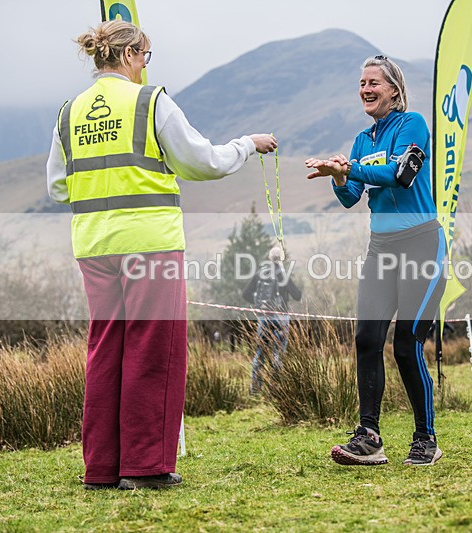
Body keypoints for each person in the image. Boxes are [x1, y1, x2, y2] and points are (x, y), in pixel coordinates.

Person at [46, 20, 277, 490]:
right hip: (150, 242)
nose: (145, 66)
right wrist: (247, 145)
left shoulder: (68, 112)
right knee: (155, 348)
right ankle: (145, 466)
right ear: (131, 54)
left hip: (93, 244)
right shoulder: (150, 101)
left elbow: (55, 186)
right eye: (145, 57)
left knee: (106, 351)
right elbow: (203, 162)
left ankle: (102, 468)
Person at [305, 55, 447, 466]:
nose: (366, 89)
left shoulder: (412, 124)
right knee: (367, 340)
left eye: (374, 83)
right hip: (381, 249)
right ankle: (368, 438)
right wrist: (338, 174)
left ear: (394, 90)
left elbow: (403, 173)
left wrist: (354, 171)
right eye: (361, 84)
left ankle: (426, 439)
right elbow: (350, 198)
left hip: (422, 245)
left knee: (406, 345)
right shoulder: (361, 141)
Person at [241, 245, 302, 393]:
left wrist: (258, 304)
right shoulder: (282, 274)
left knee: (260, 352)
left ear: (269, 258)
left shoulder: (259, 273)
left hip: (264, 318)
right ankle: (277, 389)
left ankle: (255, 388)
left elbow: (245, 294)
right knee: (278, 353)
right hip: (280, 318)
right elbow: (297, 295)